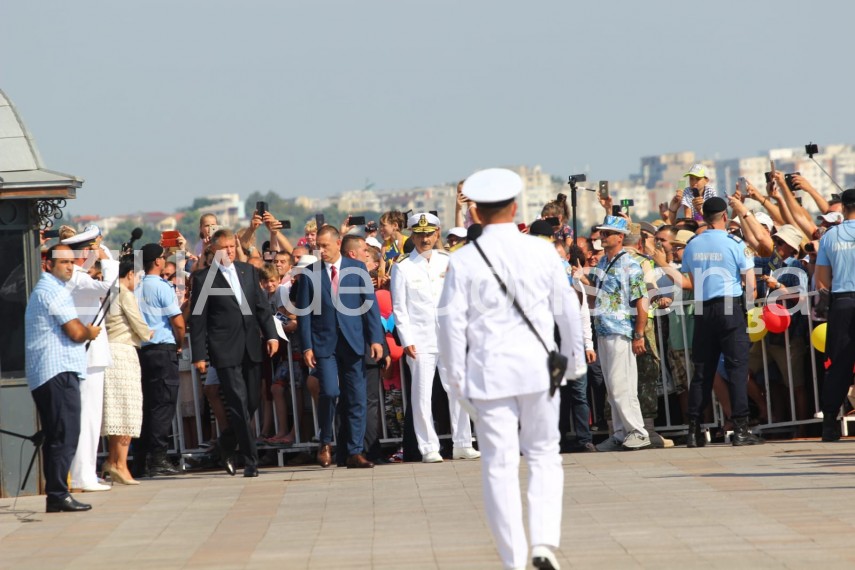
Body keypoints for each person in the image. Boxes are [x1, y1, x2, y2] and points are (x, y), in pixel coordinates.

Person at [438, 168, 586, 570]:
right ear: (516, 206)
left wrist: (453, 378)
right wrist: (573, 362)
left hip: (488, 372)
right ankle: (543, 543)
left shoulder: (464, 260)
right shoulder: (541, 251)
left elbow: (449, 323)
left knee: (499, 465)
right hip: (540, 368)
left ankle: (514, 559)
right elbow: (568, 308)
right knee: (543, 455)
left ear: (476, 214)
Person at [190, 229, 279, 477]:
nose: (229, 251)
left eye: (232, 246)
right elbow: (198, 320)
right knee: (238, 403)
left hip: (251, 346)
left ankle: (224, 445)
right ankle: (250, 460)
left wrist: (271, 335)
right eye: (224, 247)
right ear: (214, 251)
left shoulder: (248, 271)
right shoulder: (202, 278)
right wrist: (199, 355)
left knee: (251, 401)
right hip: (224, 349)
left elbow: (262, 308)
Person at [391, 212, 479, 463]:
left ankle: (463, 442)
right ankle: (428, 446)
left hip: (450, 336)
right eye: (419, 235)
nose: (424, 239)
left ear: (437, 233)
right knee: (422, 394)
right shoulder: (403, 266)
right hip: (420, 338)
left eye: (428, 234)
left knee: (458, 390)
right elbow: (400, 308)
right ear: (412, 235)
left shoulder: (448, 261)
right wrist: (407, 339)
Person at [295, 225, 385, 469]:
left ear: (338, 243)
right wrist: (306, 347)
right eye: (318, 246)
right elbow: (303, 314)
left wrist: (376, 339)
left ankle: (355, 452)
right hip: (324, 344)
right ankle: (325, 440)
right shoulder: (310, 274)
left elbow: (370, 306)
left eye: (325, 246)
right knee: (331, 392)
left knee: (357, 397)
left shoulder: (357, 269)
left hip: (353, 341)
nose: (321, 250)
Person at [25, 244, 101, 512]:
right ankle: (58, 493)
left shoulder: (48, 290)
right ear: (48, 264)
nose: (70, 266)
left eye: (72, 261)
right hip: (57, 372)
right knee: (65, 433)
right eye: (63, 262)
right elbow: (75, 332)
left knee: (59, 433)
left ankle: (57, 494)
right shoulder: (52, 292)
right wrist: (90, 332)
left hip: (51, 373)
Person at [681, 197, 763, 447]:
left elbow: (693, 281)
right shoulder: (735, 242)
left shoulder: (692, 244)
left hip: (703, 308)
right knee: (737, 368)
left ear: (704, 216)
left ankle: (694, 431)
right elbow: (751, 289)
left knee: (703, 372)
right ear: (725, 216)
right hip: (729, 305)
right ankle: (740, 428)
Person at [62, 228, 119, 493]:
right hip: (87, 355)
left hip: (90, 355)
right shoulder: (77, 276)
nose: (98, 251)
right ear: (86, 251)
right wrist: (107, 260)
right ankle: (82, 475)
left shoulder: (77, 275)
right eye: (95, 247)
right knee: (87, 417)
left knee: (90, 418)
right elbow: (111, 287)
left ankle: (86, 473)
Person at [591, 216, 651, 452]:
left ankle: (637, 431)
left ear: (620, 237)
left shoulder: (631, 264)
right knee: (612, 386)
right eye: (602, 233)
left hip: (621, 330)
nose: (603, 237)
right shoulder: (603, 263)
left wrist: (639, 334)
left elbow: (640, 301)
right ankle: (620, 433)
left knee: (621, 385)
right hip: (604, 329)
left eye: (607, 233)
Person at [135, 243, 186, 478]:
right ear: (157, 261)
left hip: (143, 351)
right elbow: (177, 322)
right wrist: (180, 343)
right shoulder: (162, 287)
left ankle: (142, 459)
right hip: (163, 349)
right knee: (163, 405)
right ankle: (158, 458)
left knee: (148, 405)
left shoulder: (135, 287)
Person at [102, 261, 154, 485]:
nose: (139, 281)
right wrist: (149, 332)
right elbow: (139, 326)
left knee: (117, 412)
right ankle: (120, 464)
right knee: (127, 411)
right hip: (123, 353)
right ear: (130, 274)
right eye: (138, 277)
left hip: (110, 352)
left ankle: (113, 461)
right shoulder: (124, 293)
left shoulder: (108, 292)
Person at [815, 188, 855, 441]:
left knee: (839, 365)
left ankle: (829, 422)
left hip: (841, 302)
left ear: (842, 208)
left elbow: (822, 280)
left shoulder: (830, 237)